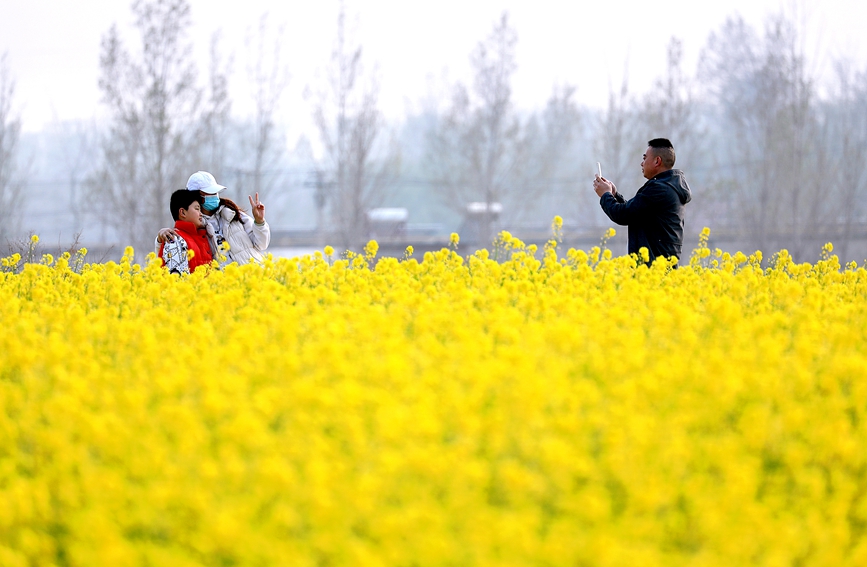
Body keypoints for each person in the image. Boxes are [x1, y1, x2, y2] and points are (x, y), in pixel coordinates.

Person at [593, 138, 692, 264]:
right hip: (661, 268)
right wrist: (614, 195)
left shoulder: (659, 189)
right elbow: (636, 212)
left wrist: (605, 195)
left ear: (657, 161)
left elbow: (623, 215)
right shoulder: (670, 187)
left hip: (653, 269)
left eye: (645, 158)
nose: (642, 163)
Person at [156, 171, 271, 267]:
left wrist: (259, 222)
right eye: (210, 193)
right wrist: (160, 238)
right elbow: (172, 250)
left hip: (254, 274)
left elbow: (261, 244)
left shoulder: (232, 213)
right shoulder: (195, 225)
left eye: (216, 192)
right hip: (226, 285)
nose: (215, 196)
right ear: (196, 196)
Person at [159, 190, 213, 274]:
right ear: (183, 212)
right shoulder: (174, 239)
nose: (201, 214)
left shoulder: (202, 237)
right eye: (197, 209)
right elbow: (176, 279)